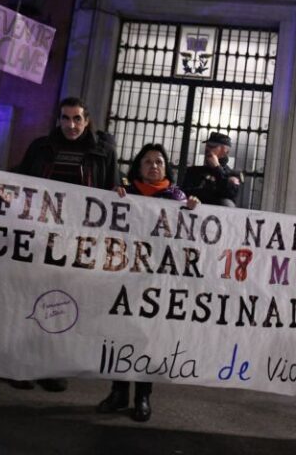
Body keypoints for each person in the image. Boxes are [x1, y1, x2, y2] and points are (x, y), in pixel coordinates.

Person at [13, 97, 118, 392]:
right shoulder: (41, 147)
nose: (71, 125)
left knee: (62, 303)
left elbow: (113, 190)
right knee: (31, 300)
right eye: (65, 118)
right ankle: (22, 366)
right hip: (39, 237)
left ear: (87, 121)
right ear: (57, 120)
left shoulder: (103, 152)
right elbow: (21, 178)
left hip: (78, 242)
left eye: (77, 119)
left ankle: (51, 366)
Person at [97, 143, 200, 422]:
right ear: (138, 167)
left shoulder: (178, 198)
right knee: (120, 334)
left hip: (156, 278)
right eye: (148, 162)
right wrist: (114, 199)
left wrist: (193, 210)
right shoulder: (127, 194)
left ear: (166, 168)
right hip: (125, 274)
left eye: (159, 162)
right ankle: (118, 392)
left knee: (147, 337)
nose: (154, 166)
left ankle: (143, 395)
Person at [181, 132, 241, 207]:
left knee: (227, 203)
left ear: (225, 151)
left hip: (216, 214)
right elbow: (183, 193)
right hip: (192, 210)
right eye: (207, 145)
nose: (207, 149)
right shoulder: (193, 171)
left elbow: (229, 194)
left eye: (212, 146)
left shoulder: (233, 174)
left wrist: (217, 168)